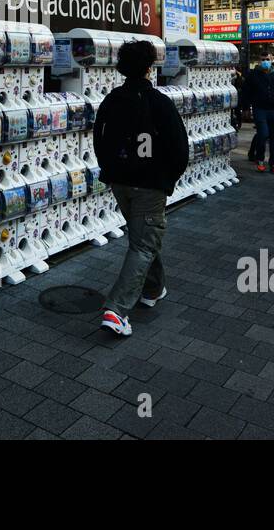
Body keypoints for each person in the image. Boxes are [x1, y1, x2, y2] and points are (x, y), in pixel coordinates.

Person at [94, 41, 189, 338]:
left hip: (120, 183)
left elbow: (100, 138)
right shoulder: (159, 102)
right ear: (150, 67)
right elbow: (179, 148)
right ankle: (117, 309)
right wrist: (167, 179)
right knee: (144, 242)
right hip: (150, 185)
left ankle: (152, 288)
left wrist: (109, 170)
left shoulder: (112, 99)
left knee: (143, 237)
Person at [244, 58, 274, 174]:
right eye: (263, 60)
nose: (265, 61)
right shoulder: (253, 75)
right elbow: (246, 91)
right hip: (260, 109)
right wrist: (246, 108)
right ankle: (260, 159)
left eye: (267, 59)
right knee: (263, 134)